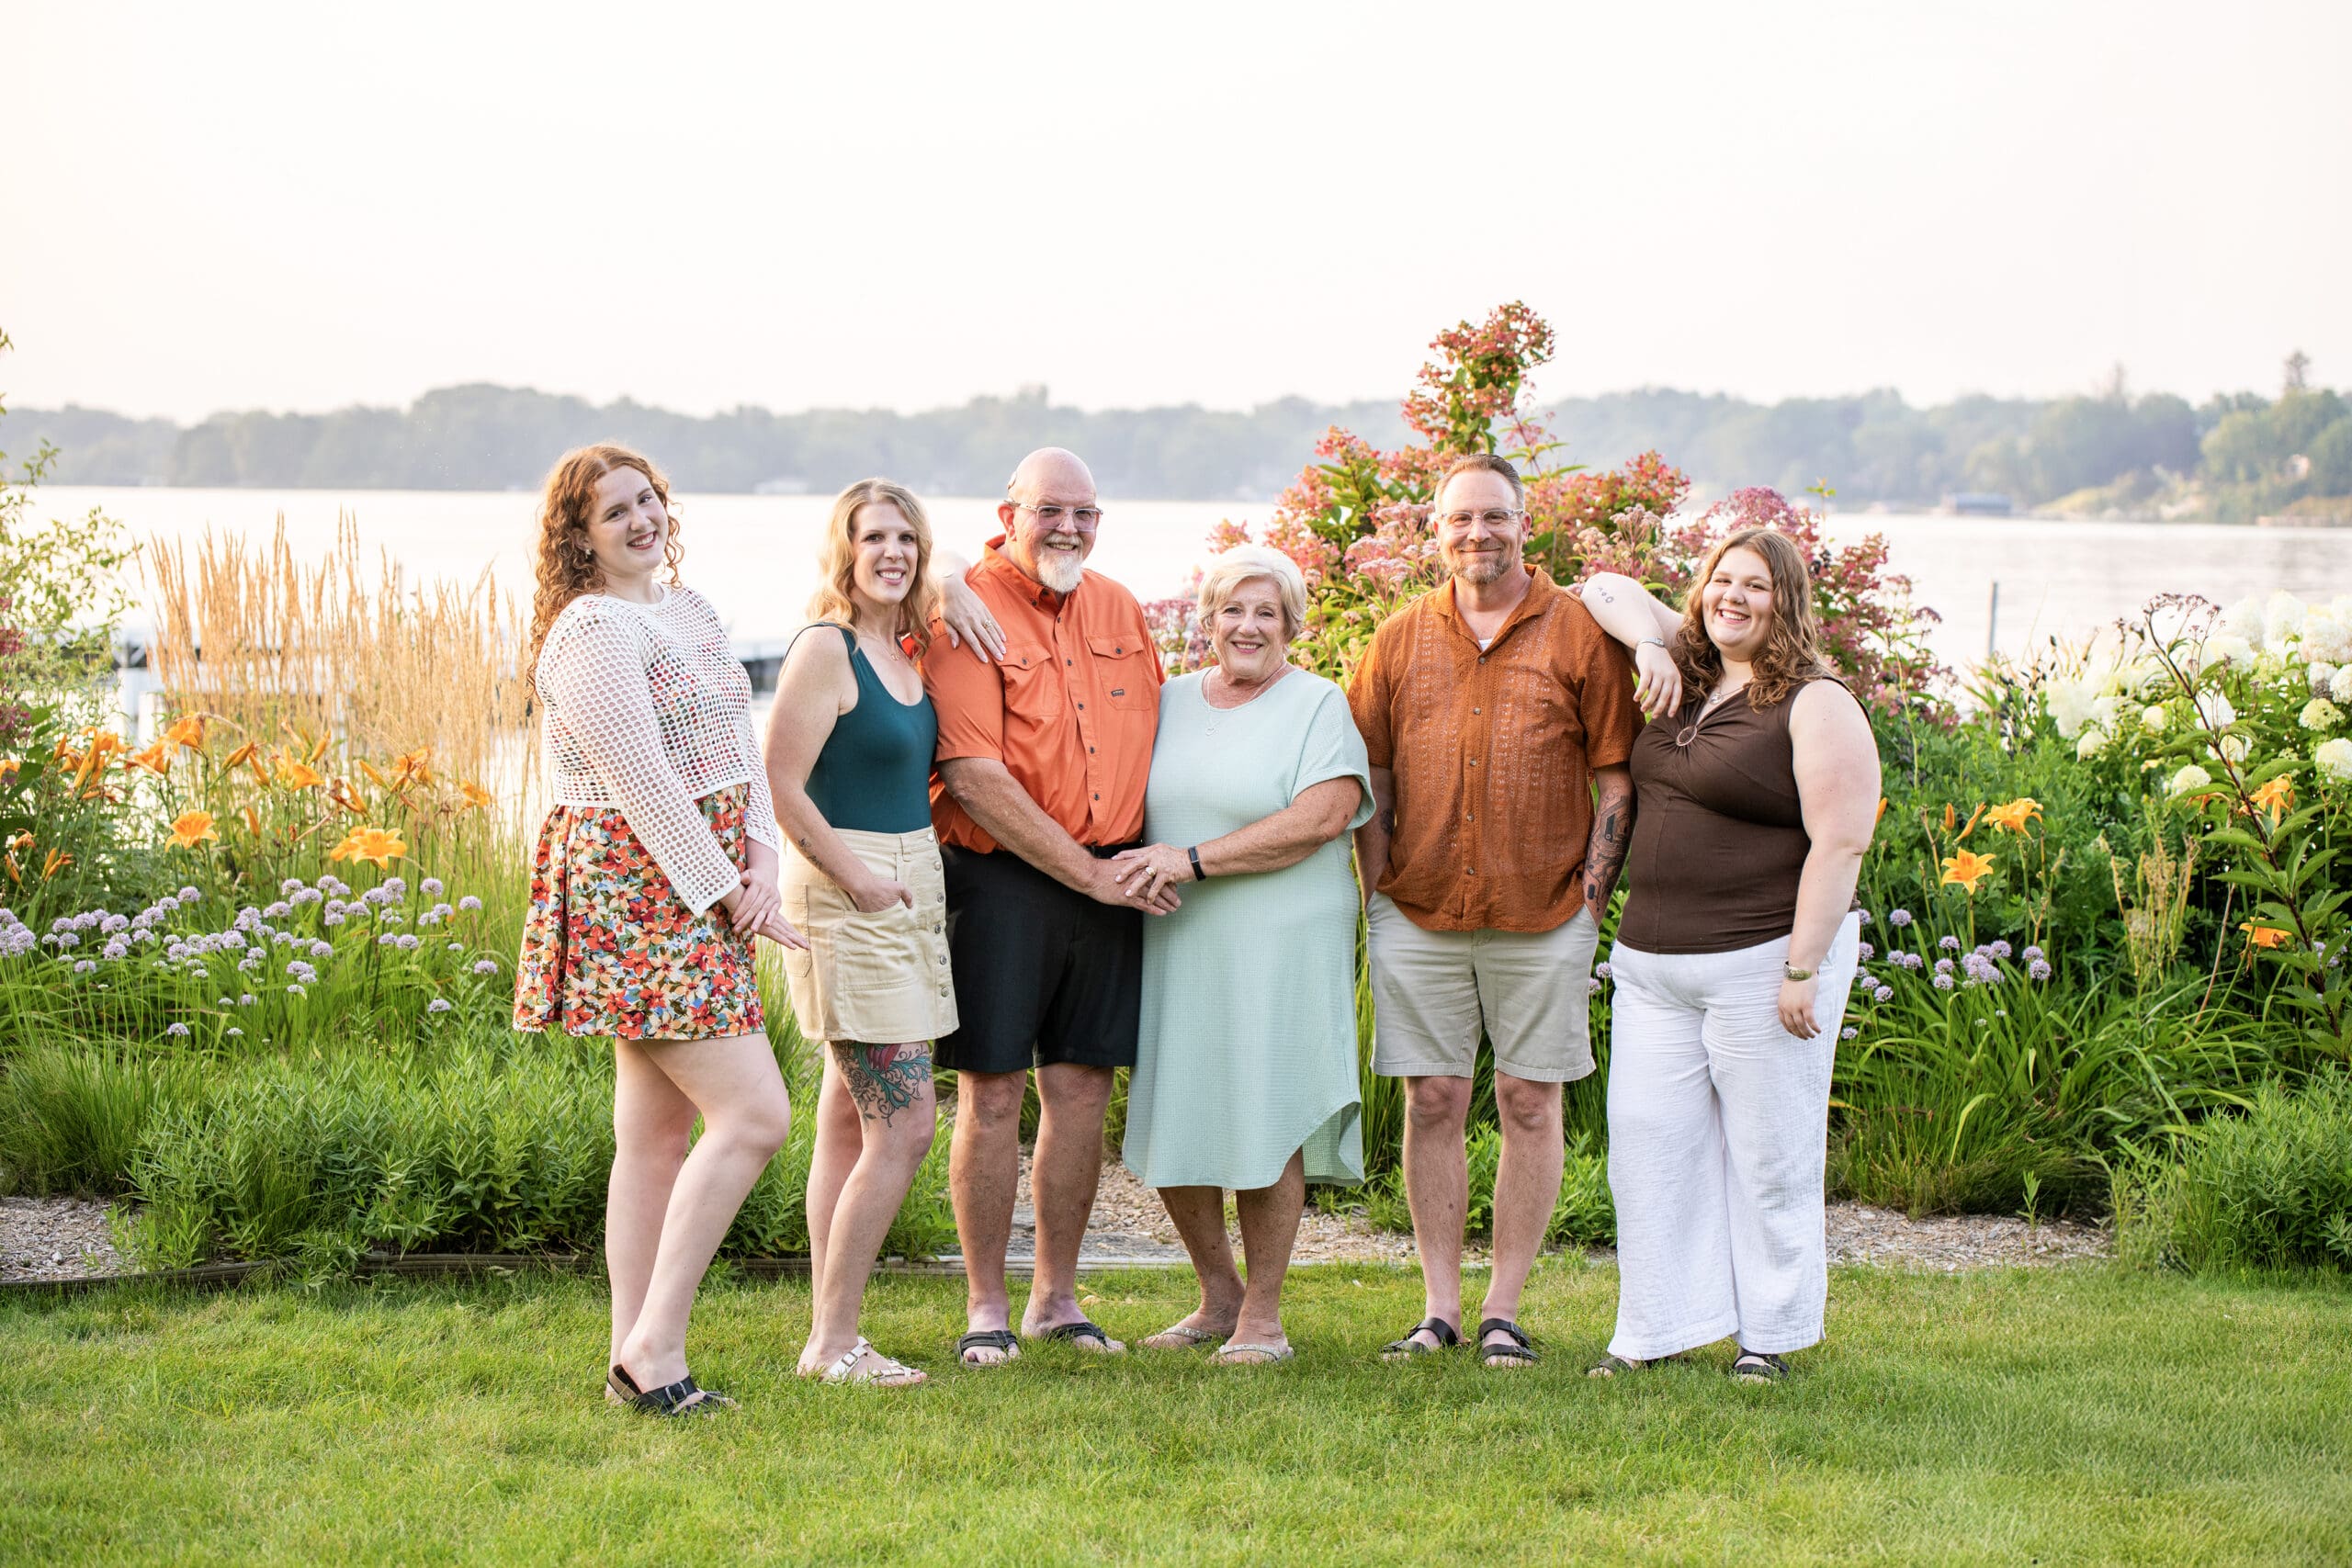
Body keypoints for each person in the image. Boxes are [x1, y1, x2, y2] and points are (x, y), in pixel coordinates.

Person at [513, 444, 805, 1417]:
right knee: (756, 1115)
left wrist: (764, 856)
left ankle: (630, 1355)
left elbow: (737, 748)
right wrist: (727, 891)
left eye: (649, 501)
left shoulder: (691, 611)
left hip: (710, 876)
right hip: (639, 892)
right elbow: (640, 783)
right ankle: (655, 1351)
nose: (642, 521)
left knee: (653, 1132)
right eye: (615, 513)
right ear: (579, 539)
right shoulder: (589, 631)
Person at [1348, 453, 1639, 1370]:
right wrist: (1376, 891)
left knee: (1527, 1099)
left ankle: (1503, 1309)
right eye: (1459, 520)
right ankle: (1438, 1309)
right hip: (1418, 908)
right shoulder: (1397, 640)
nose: (1477, 533)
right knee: (1431, 1099)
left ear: (1524, 525)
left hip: (1545, 911)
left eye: (1495, 518)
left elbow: (1617, 781)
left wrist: (1590, 899)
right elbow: (1370, 783)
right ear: (1434, 534)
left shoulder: (1580, 634)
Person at [1577, 531, 1881, 1383]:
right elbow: (1599, 584)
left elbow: (1842, 841)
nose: (1733, 598)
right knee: (1648, 1147)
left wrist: (1802, 967)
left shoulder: (1816, 701)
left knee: (1769, 1155)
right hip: (1653, 967)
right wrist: (1648, 642)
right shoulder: (1690, 669)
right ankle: (1654, 1329)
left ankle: (1770, 1337)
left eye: (1756, 586)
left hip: (1761, 961)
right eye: (1721, 581)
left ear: (1786, 602)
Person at [922, 447, 1175, 1366]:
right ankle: (985, 1305)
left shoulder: (1118, 607)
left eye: (1085, 512)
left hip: (1111, 879)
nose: (1068, 527)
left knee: (1080, 1092)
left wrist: (1145, 862)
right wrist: (1086, 871)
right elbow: (974, 775)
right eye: (1049, 510)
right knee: (990, 1095)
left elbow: (1158, 735)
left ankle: (1055, 1299)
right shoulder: (964, 606)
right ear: (1008, 512)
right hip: (1002, 881)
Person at [1111, 546, 1372, 1366]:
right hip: (1180, 933)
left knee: (1267, 1107)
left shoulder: (1317, 703)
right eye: (1233, 609)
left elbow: (1323, 815)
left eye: (1267, 611)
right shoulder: (1170, 700)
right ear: (1208, 619)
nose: (1248, 626)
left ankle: (1265, 1317)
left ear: (1291, 624)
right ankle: (1216, 1295)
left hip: (1281, 935)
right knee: (1178, 1102)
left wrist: (1191, 859)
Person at [762, 479, 957, 1390]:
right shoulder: (824, 647)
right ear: (842, 549)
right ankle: (834, 1344)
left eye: (905, 538)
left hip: (909, 880)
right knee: (905, 1124)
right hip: (852, 890)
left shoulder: (903, 645)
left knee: (849, 1118)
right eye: (872, 536)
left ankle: (827, 1334)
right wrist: (859, 879)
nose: (891, 553)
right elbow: (782, 786)